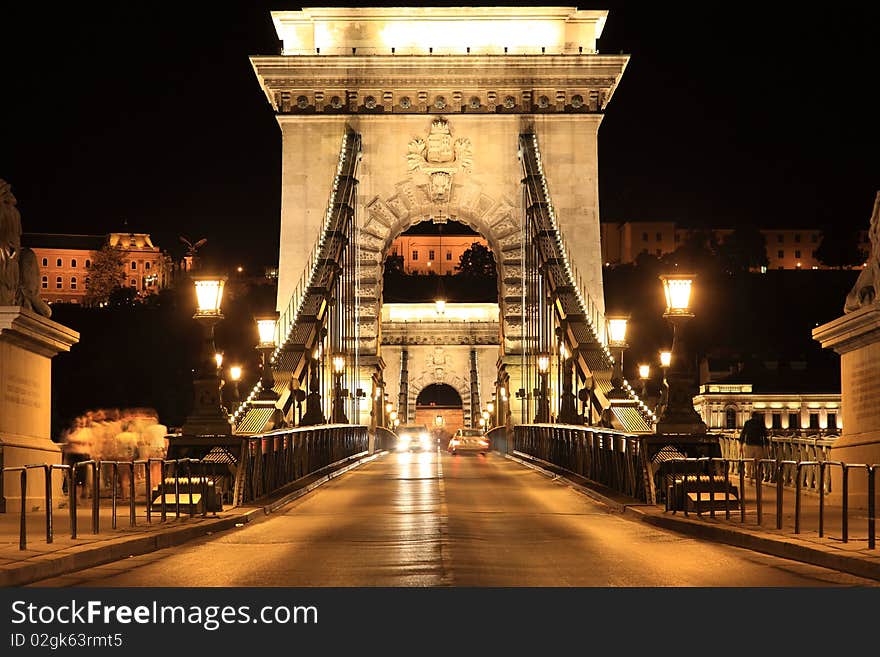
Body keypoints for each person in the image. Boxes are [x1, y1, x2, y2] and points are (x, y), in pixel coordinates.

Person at [740, 412, 769, 482]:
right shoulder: (760, 424)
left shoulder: (747, 423)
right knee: (758, 462)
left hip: (749, 445)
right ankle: (757, 474)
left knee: (748, 461)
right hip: (758, 445)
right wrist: (767, 445)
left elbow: (743, 434)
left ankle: (748, 475)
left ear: (751, 416)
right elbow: (764, 435)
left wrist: (741, 445)